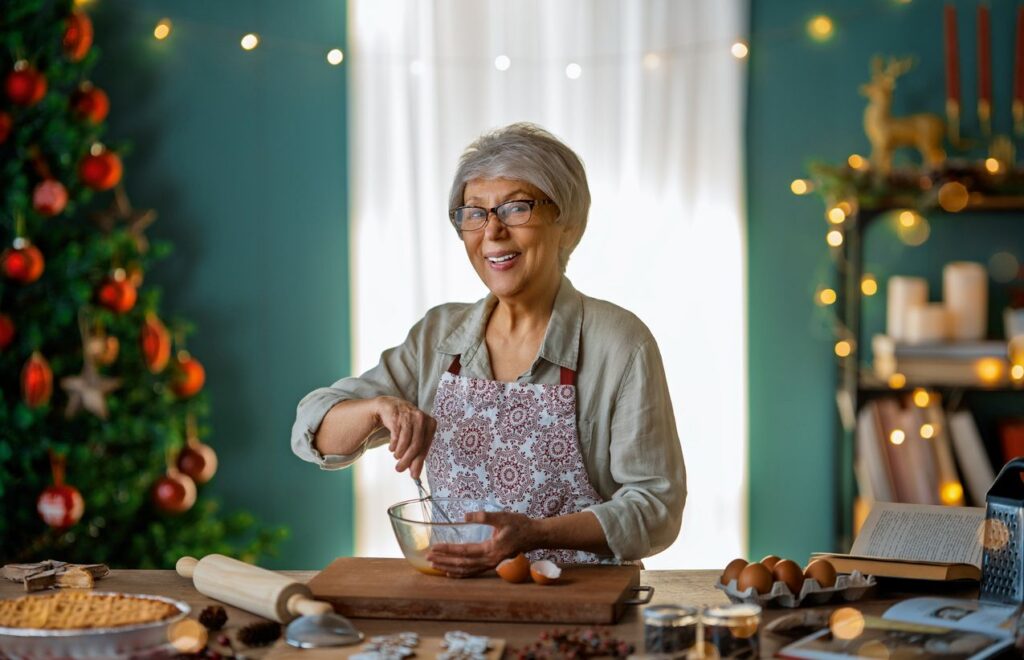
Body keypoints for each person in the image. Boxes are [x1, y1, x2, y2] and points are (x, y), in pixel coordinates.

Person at [292, 122, 685, 576]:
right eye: (474, 213)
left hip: (581, 604)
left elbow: (657, 508)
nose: (492, 232)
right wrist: (377, 409)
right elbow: (312, 430)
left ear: (568, 223)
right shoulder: (438, 336)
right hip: (457, 603)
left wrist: (536, 534)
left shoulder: (620, 342)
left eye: (516, 208)